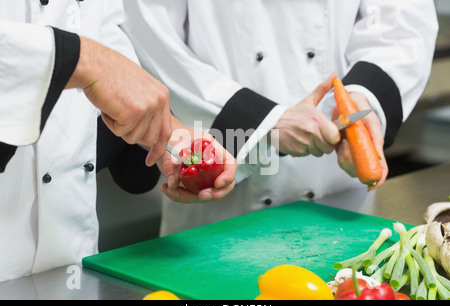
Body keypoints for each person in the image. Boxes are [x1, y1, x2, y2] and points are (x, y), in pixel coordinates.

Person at [122, 0, 438, 236]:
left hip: (340, 195)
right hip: (220, 205)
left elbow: (401, 22)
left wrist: (364, 98)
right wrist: (261, 122)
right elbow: (149, 38)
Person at [0, 0, 236, 283]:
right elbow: (92, 57)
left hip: (72, 255)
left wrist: (168, 131)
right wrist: (82, 59)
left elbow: (101, 27)